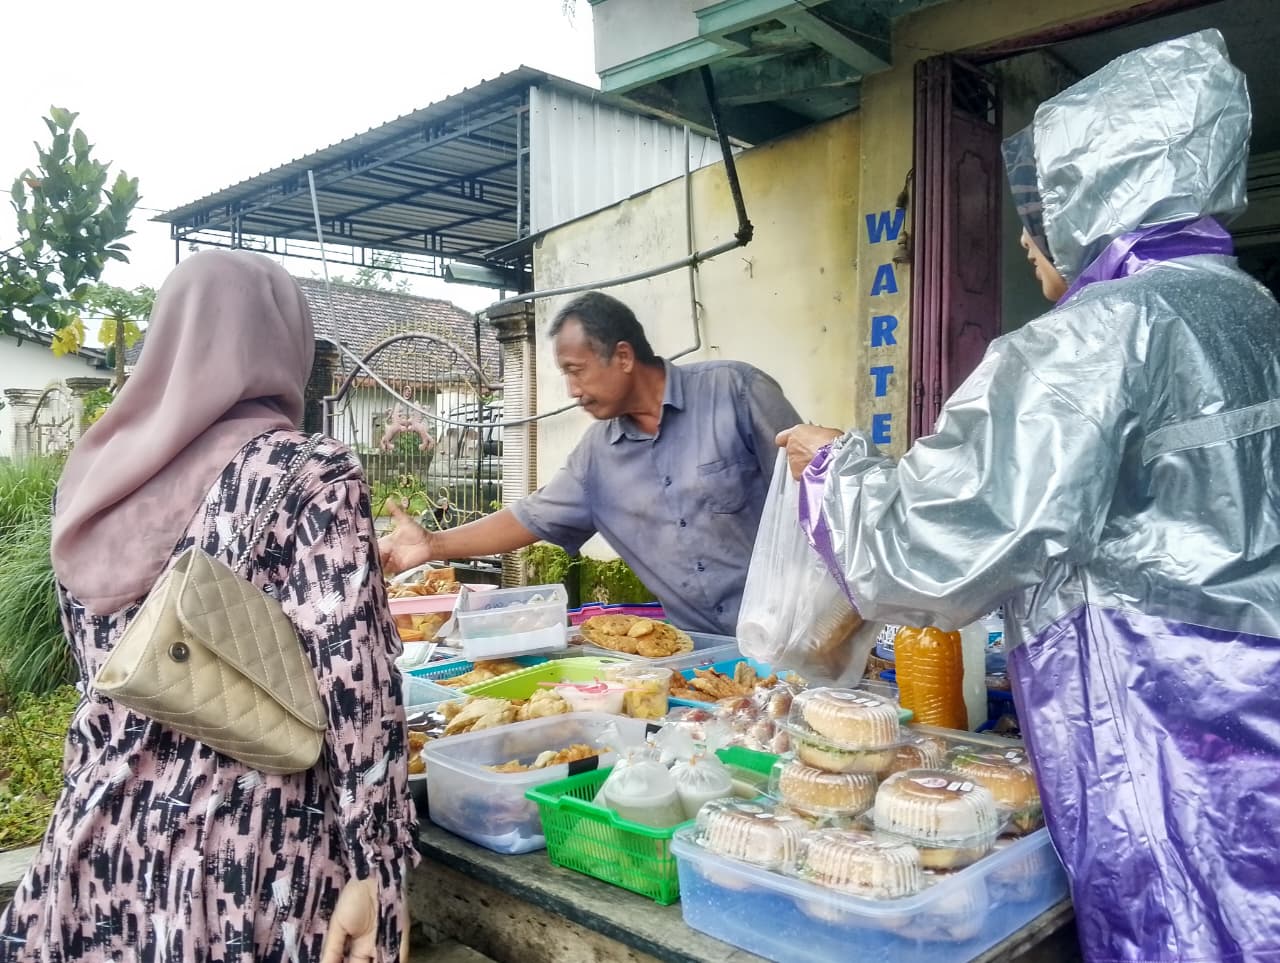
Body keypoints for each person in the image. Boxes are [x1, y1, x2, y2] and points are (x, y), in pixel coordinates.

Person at [779, 30, 1280, 962]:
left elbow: (923, 555)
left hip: (1154, 719)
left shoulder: (1094, 340)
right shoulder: (1252, 312)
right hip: (1251, 718)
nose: (1023, 237)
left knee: (1178, 928)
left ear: (1100, 199)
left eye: (1041, 209)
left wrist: (829, 468)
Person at [0, 251, 416, 962]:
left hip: (96, 851)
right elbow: (358, 692)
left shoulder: (95, 478)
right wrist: (379, 870)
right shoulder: (305, 471)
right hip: (248, 866)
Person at [380, 290, 800, 636]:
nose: (571, 390)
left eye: (576, 371)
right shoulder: (596, 458)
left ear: (622, 357)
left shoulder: (735, 393)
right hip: (705, 657)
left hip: (800, 636)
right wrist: (434, 544)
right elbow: (529, 517)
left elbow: (815, 499)